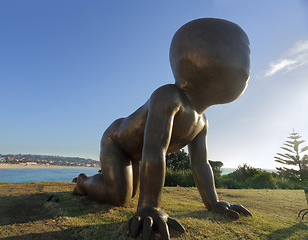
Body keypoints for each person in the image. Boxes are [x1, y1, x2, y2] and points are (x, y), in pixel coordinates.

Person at [73, 18, 252, 240]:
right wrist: (149, 207)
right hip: (117, 142)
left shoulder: (201, 120)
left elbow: (200, 163)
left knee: (128, 191)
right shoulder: (169, 96)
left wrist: (213, 202)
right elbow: (155, 149)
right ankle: (83, 182)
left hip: (138, 154)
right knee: (119, 197)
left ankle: (105, 177)